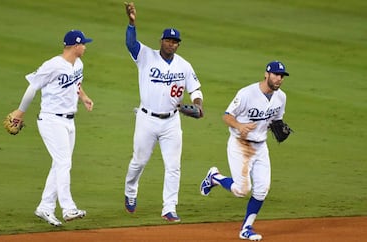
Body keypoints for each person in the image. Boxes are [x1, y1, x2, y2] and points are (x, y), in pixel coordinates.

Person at [123, 2, 204, 222]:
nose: (172, 44)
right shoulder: (146, 56)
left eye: (175, 41)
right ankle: (130, 191)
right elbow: (131, 44)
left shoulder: (184, 66)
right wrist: (132, 23)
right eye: (168, 40)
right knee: (138, 162)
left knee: (173, 166)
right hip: (146, 119)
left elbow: (195, 89)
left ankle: (169, 207)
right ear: (161, 41)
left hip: (171, 122)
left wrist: (198, 104)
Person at [8, 30, 94, 226]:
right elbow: (33, 86)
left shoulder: (78, 64)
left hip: (70, 121)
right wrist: (20, 112)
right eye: (84, 44)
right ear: (75, 46)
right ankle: (68, 208)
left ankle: (45, 207)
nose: (86, 47)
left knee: (60, 164)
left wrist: (84, 97)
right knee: (64, 163)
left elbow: (76, 85)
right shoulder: (52, 65)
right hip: (51, 121)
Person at [200, 61, 290, 240]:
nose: (279, 79)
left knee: (262, 190)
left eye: (282, 76)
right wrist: (239, 125)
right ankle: (214, 177)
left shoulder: (281, 97)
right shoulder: (247, 94)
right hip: (240, 144)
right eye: (276, 75)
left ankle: (246, 228)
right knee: (242, 190)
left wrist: (278, 128)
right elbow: (226, 116)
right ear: (266, 74)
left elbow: (276, 120)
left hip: (261, 146)